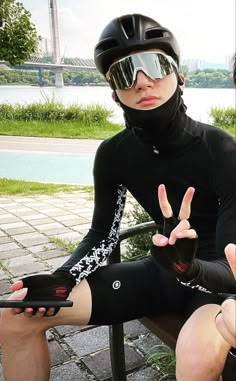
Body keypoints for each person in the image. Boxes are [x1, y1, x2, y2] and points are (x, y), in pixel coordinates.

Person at [0, 13, 235, 381]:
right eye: (125, 73)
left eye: (154, 65)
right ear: (114, 93)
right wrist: (63, 277)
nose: (142, 82)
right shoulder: (114, 154)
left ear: (179, 77)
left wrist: (188, 267)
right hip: (160, 271)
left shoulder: (220, 149)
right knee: (14, 316)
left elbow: (231, 265)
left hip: (213, 283)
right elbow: (102, 235)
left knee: (194, 359)